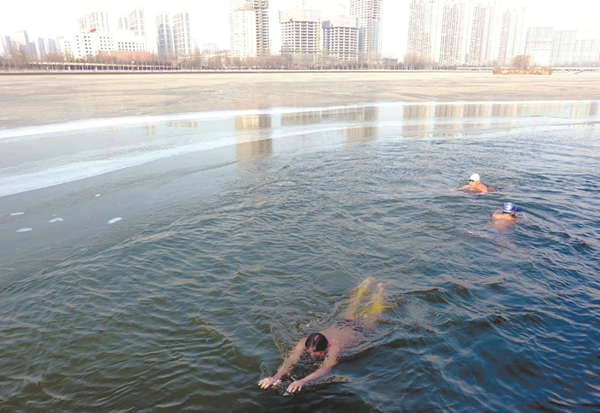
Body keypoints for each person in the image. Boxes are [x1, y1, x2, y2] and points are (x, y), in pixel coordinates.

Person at [258, 279, 387, 394]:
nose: (312, 355)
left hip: (359, 329)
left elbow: (325, 368)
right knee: (352, 305)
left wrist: (302, 381)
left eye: (318, 353)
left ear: (328, 346)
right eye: (309, 352)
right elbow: (291, 358)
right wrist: (277, 376)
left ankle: (380, 290)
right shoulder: (305, 341)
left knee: (375, 311)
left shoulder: (335, 346)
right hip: (341, 322)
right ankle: (365, 285)